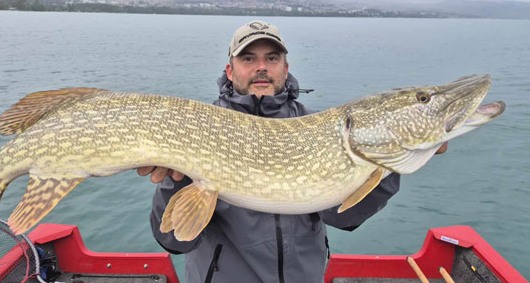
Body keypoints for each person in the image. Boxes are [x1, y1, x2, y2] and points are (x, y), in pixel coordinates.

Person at [137, 20, 448, 283]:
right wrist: (176, 181)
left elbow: (344, 217)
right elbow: (173, 241)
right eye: (248, 59)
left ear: (285, 68)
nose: (261, 67)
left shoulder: (316, 126)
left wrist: (387, 161)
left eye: (271, 58)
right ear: (230, 71)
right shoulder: (196, 129)